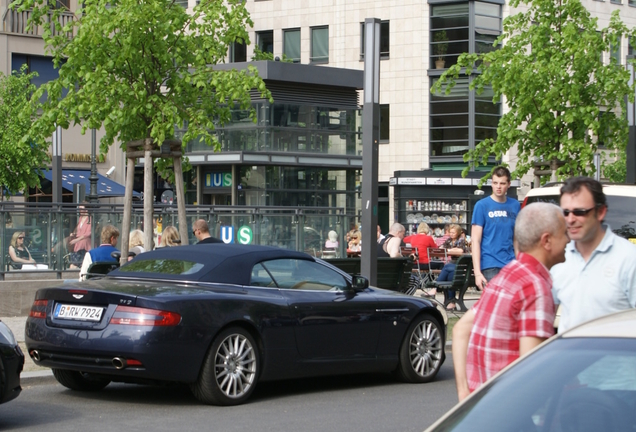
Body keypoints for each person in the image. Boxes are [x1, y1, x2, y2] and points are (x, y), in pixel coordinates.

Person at [453, 202, 568, 401]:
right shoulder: (536, 287)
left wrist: (464, 392)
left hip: (480, 404)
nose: (569, 240)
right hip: (508, 407)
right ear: (547, 240)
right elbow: (531, 370)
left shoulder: (507, 275)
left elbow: (460, 329)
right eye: (565, 233)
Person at [551, 177, 636, 333]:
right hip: (568, 355)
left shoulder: (629, 258)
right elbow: (547, 318)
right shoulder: (558, 258)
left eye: (579, 212)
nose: (570, 219)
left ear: (601, 212)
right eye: (565, 212)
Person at [471, 166, 520, 290]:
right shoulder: (481, 206)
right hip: (490, 265)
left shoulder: (515, 205)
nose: (498, 186)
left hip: (511, 264)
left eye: (502, 183)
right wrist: (477, 273)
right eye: (495, 183)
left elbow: (516, 238)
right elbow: (475, 240)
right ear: (491, 184)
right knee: (494, 306)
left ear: (509, 184)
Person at [437, 224, 471, 310]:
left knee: (447, 267)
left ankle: (436, 285)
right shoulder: (449, 241)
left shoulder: (461, 240)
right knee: (450, 277)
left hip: (460, 265)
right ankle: (451, 302)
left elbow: (460, 250)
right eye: (450, 232)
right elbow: (441, 248)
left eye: (453, 232)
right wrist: (452, 250)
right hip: (454, 267)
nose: (451, 234)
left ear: (458, 233)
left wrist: (449, 250)